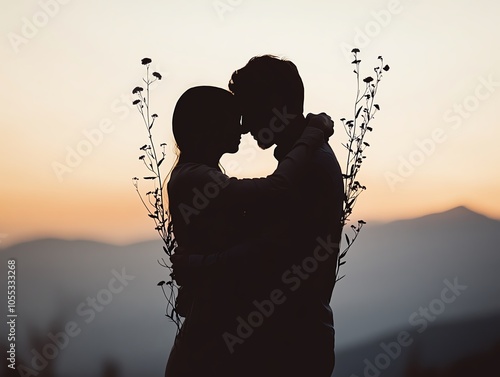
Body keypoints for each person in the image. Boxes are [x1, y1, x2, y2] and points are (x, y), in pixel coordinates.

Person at [164, 85, 334, 377]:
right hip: (209, 336)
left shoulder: (199, 175)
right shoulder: (195, 177)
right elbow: (275, 188)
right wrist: (312, 133)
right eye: (233, 118)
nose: (242, 129)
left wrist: (196, 264)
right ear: (210, 126)